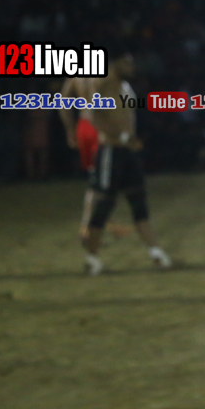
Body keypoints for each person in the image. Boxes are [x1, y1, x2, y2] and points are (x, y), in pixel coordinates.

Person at [59, 51, 171, 275]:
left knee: (138, 203)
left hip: (126, 150)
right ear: (115, 63)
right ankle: (91, 257)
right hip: (110, 149)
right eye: (127, 63)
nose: (132, 67)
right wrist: (120, 136)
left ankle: (156, 252)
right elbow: (91, 114)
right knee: (102, 204)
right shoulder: (101, 82)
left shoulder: (121, 84)